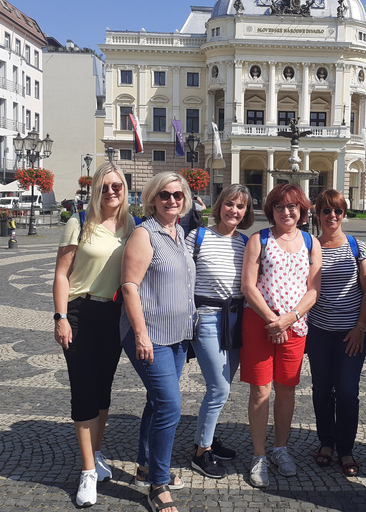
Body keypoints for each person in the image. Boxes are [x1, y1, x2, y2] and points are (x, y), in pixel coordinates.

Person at [52, 163, 135, 507]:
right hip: (80, 313)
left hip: (113, 315)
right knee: (83, 390)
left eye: (117, 186)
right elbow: (61, 274)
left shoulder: (131, 226)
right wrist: (60, 317)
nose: (111, 192)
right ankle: (87, 471)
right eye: (105, 187)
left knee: (103, 390)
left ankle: (97, 453)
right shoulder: (78, 223)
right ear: (95, 190)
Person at [119, 172, 195, 512]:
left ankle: (145, 466)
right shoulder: (143, 233)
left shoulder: (179, 233)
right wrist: (140, 334)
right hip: (151, 336)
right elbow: (130, 287)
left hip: (177, 335)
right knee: (170, 405)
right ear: (152, 199)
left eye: (177, 195)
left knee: (156, 401)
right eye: (164, 195)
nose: (172, 200)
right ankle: (158, 485)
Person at [240, 183, 321, 488]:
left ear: (301, 211)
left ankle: (280, 448)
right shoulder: (259, 239)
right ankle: (259, 455)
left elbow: (314, 289)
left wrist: (290, 319)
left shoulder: (312, 242)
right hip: (260, 324)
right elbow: (248, 286)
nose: (286, 212)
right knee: (260, 390)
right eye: (279, 206)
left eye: (292, 207)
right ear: (270, 210)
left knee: (287, 389)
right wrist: (273, 320)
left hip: (295, 326)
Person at [184, 184, 255, 479]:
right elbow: (180, 275)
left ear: (246, 212)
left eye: (240, 207)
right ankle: (201, 452)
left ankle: (208, 438)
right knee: (219, 388)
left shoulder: (246, 242)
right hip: (207, 318)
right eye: (229, 204)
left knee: (223, 385)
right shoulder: (198, 236)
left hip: (236, 320)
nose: (234, 211)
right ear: (219, 206)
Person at [307, 189, 366, 477]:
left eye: (337, 211)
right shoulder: (310, 246)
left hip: (351, 332)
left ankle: (345, 448)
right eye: (326, 211)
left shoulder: (357, 246)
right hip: (319, 331)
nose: (331, 216)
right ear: (318, 215)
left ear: (344, 214)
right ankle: (326, 442)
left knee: (347, 392)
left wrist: (360, 327)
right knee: (322, 389)